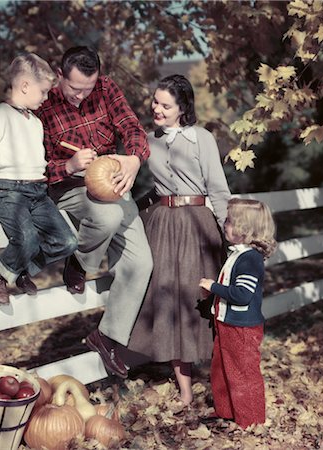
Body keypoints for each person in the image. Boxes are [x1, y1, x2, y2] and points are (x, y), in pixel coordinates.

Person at [36, 46, 153, 379]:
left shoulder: (106, 88)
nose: (80, 96)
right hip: (68, 188)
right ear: (60, 75)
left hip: (111, 182)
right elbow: (34, 167)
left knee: (141, 263)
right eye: (74, 88)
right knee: (107, 217)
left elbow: (132, 129)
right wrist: (68, 165)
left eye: (87, 89)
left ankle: (107, 336)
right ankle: (79, 263)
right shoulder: (43, 103)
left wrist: (132, 158)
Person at [128, 74, 231, 406]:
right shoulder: (147, 139)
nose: (156, 109)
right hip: (162, 225)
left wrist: (230, 234)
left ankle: (224, 379)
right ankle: (184, 389)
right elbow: (145, 185)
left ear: (183, 107)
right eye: (155, 101)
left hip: (197, 226)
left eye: (164, 105)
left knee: (195, 299)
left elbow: (217, 189)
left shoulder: (203, 139)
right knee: (167, 299)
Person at [0, 53, 78, 306]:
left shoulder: (35, 123)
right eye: (43, 92)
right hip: (9, 192)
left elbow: (37, 161)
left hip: (38, 192)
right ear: (25, 86)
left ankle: (22, 269)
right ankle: (0, 275)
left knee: (67, 241)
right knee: (26, 238)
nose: (46, 98)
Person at [199, 198, 277, 429]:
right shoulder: (238, 254)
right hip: (227, 322)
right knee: (222, 367)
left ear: (246, 229)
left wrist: (213, 287)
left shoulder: (250, 259)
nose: (225, 224)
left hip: (242, 327)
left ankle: (250, 420)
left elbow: (242, 294)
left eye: (231, 221)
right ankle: (226, 410)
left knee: (243, 373)